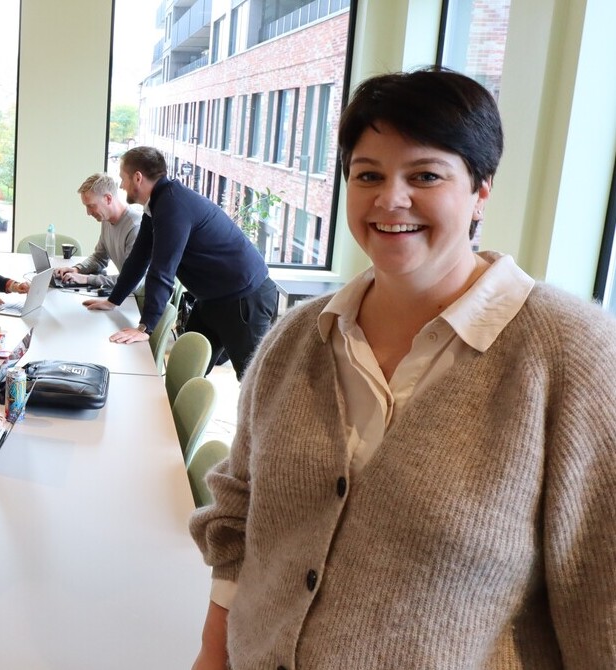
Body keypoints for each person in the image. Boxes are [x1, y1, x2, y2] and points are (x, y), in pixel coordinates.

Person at [189, 68, 616, 669]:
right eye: (368, 175)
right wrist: (211, 657)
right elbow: (240, 519)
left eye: (425, 176)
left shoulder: (573, 355)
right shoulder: (299, 337)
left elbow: (601, 600)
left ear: (481, 190)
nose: (391, 200)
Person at [83, 146, 277, 380]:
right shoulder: (157, 205)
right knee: (184, 374)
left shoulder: (172, 205)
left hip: (245, 297)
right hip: (212, 298)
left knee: (254, 382)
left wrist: (145, 327)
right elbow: (138, 259)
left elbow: (162, 269)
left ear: (138, 177)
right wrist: (113, 300)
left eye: (123, 178)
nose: (122, 185)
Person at [54, 172, 142, 290]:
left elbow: (132, 281)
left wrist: (86, 279)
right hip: (124, 292)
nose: (88, 213)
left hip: (140, 297)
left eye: (91, 206)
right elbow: (99, 258)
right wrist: (77, 270)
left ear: (108, 199)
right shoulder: (106, 220)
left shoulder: (135, 227)